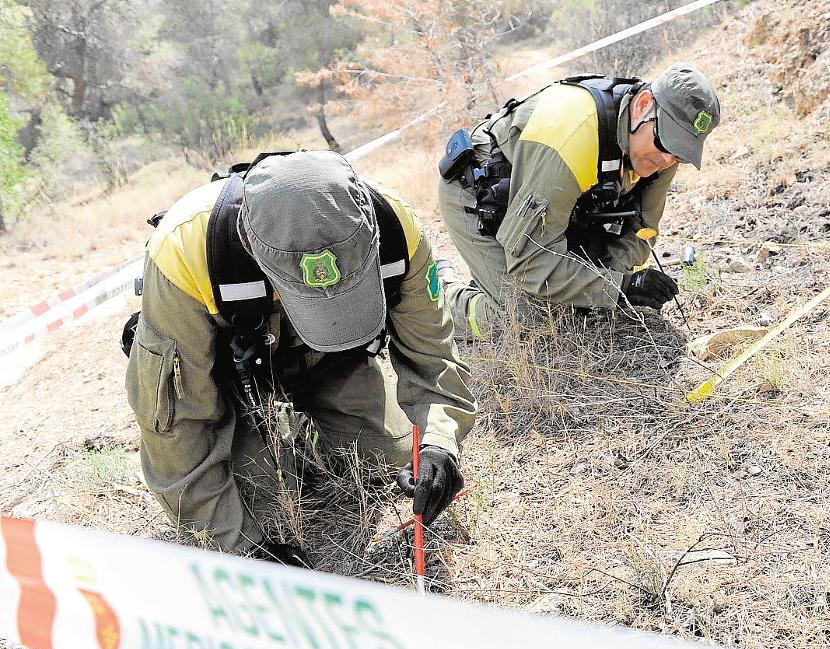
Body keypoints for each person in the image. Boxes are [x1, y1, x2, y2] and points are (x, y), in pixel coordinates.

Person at [124, 150, 476, 566]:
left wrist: (439, 444)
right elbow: (176, 427)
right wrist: (244, 550)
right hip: (229, 381)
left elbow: (433, 356)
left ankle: (320, 433)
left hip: (335, 362)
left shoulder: (398, 230)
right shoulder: (184, 251)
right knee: (255, 508)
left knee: (397, 457)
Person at [436, 63, 721, 339]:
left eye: (680, 154)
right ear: (644, 104)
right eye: (666, 144)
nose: (667, 160)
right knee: (524, 315)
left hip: (551, 210)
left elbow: (641, 230)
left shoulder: (661, 151)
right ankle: (440, 295)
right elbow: (530, 263)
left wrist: (613, 279)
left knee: (578, 302)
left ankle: (492, 279)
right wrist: (619, 288)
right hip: (479, 197)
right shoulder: (572, 138)